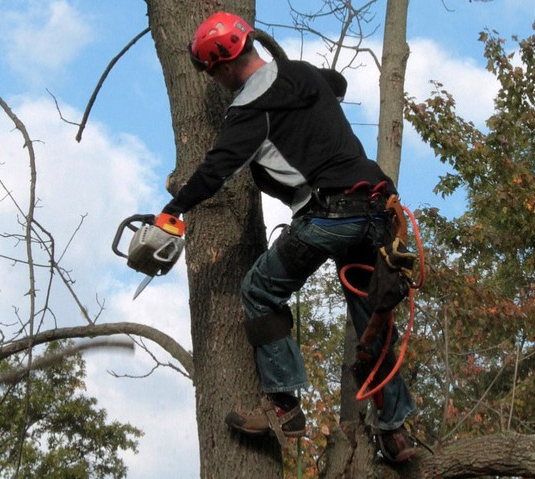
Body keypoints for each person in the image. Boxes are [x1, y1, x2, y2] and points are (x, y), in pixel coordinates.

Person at [162, 11, 417, 462]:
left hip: (330, 215)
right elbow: (336, 83)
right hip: (378, 211)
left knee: (259, 291)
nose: (216, 81)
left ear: (223, 66)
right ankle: (396, 434)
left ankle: (284, 408)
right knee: (370, 321)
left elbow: (216, 170)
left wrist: (173, 210)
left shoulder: (250, 110)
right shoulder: (303, 74)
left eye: (213, 73)